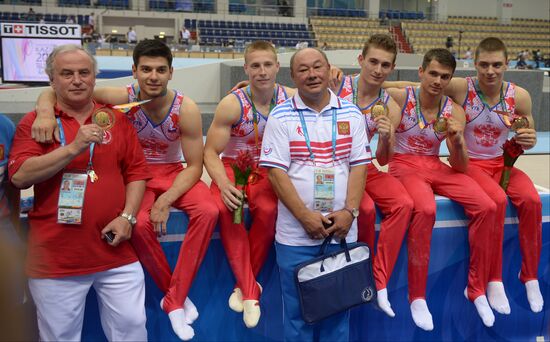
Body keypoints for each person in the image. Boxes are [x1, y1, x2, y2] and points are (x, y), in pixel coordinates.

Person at [31, 39, 218, 340]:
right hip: (136, 176)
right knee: (140, 224)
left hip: (173, 173)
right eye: (145, 69)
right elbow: (57, 89)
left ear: (171, 72)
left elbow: (195, 166)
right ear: (134, 71)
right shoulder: (119, 96)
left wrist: (167, 200)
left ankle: (176, 296)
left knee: (210, 210)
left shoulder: (187, 108)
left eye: (160, 70)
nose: (153, 76)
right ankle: (176, 296)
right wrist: (43, 111)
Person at [385, 37, 544, 315]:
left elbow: (526, 130)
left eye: (497, 65)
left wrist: (527, 138)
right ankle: (490, 280)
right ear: (475, 65)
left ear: (507, 64)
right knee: (493, 201)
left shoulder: (520, 96)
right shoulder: (460, 87)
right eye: (484, 65)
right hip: (471, 165)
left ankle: (529, 276)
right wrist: (368, 82)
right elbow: (409, 87)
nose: (490, 71)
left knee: (532, 201)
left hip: (500, 163)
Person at [8, 44, 149, 341]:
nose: (76, 80)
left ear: (95, 78)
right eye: (67, 73)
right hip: (57, 258)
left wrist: (127, 217)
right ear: (52, 80)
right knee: (60, 336)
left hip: (116, 251)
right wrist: (73, 148)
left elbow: (136, 173)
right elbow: (20, 176)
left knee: (133, 327)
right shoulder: (36, 123)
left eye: (84, 73)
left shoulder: (116, 120)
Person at [259, 47, 370, 341]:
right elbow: (276, 174)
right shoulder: (280, 116)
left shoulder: (352, 113)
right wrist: (304, 216)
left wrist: (350, 212)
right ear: (293, 76)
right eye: (304, 70)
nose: (312, 74)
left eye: (317, 67)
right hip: (296, 237)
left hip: (342, 232)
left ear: (328, 69)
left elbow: (359, 166)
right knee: (298, 320)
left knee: (338, 316)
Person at [385, 48, 497, 330]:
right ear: (420, 72)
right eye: (432, 73)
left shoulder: (454, 110)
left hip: (436, 164)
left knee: (488, 206)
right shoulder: (402, 96)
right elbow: (376, 84)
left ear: (450, 79)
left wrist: (458, 142)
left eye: (444, 76)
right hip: (404, 163)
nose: (437, 80)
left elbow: (459, 166)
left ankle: (476, 287)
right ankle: (417, 296)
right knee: (425, 208)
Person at [204, 40, 295, 328]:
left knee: (269, 212)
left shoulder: (292, 99)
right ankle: (251, 290)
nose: (262, 71)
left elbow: (330, 97)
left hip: (268, 168)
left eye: (268, 64)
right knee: (228, 209)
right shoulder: (232, 104)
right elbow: (210, 152)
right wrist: (223, 183)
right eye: (255, 65)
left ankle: (244, 289)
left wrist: (337, 76)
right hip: (237, 167)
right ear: (246, 68)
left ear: (278, 67)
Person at [331, 34, 413, 318]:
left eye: (385, 65)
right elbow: (295, 90)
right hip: (331, 166)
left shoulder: (390, 106)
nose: (378, 70)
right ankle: (356, 272)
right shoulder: (337, 84)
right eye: (373, 62)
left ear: (392, 69)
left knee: (404, 204)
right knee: (363, 209)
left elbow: (383, 160)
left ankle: (379, 281)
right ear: (361, 60)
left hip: (365, 166)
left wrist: (387, 138)